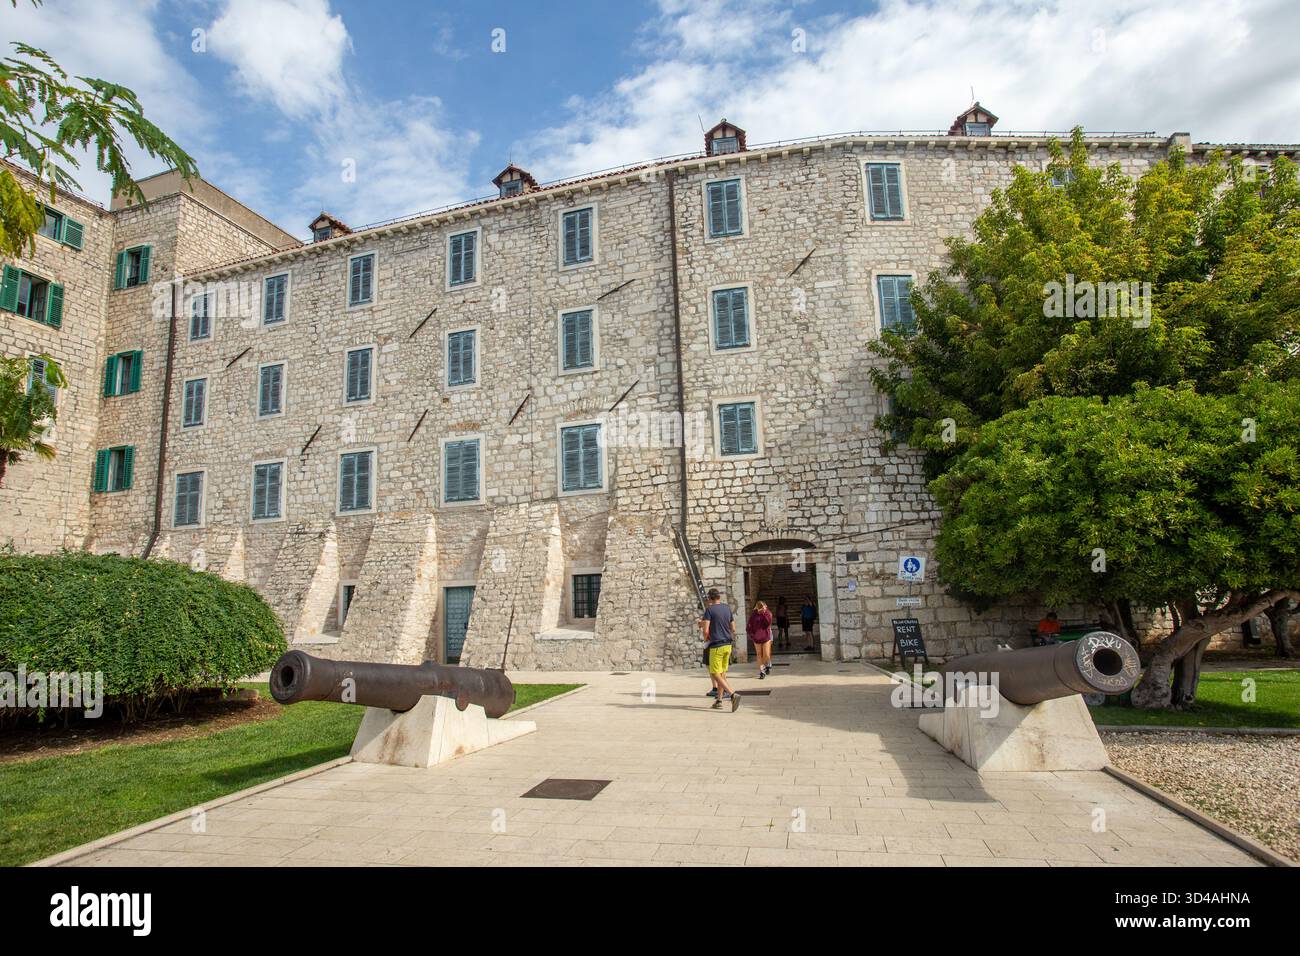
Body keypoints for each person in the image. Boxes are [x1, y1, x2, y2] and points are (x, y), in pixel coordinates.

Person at [700, 588, 741, 711]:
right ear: (719, 597)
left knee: (714, 672)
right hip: (728, 644)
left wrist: (706, 638)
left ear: (710, 598)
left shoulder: (709, 610)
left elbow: (706, 630)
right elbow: (733, 628)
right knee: (722, 673)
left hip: (716, 645)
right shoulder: (727, 608)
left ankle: (733, 694)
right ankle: (719, 700)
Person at [747, 601, 774, 678]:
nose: (761, 609)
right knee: (759, 654)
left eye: (762, 607)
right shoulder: (754, 615)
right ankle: (762, 671)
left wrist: (764, 613)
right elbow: (749, 626)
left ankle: (768, 664)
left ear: (765, 606)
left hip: (766, 636)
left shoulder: (768, 613)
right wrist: (752, 635)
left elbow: (768, 623)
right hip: (756, 638)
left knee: (766, 654)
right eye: (759, 607)